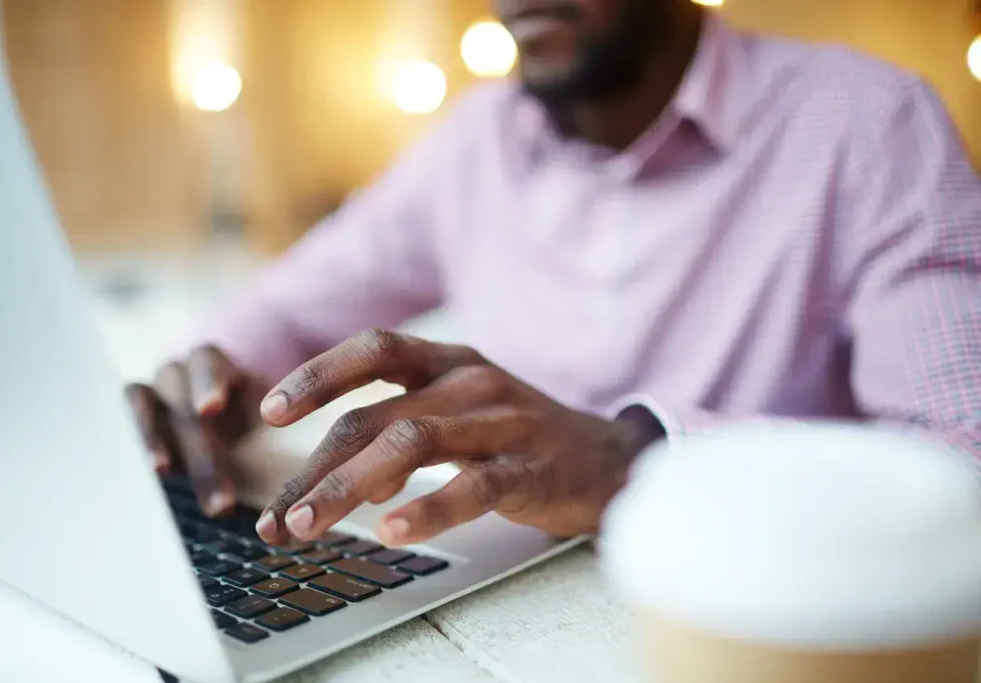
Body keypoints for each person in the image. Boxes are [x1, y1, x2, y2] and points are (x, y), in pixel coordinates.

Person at [129, 0, 981, 549]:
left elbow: (964, 463)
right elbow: (285, 308)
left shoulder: (870, 124)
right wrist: (213, 382)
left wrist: (635, 458)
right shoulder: (476, 141)